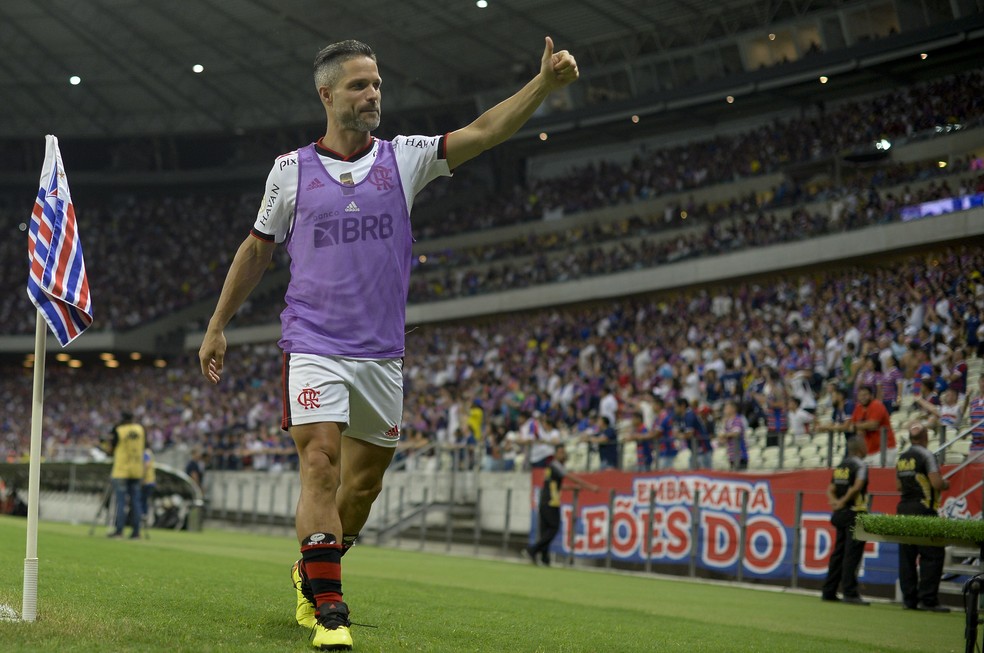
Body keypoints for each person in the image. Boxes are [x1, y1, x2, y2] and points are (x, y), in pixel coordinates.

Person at [198, 36, 579, 650]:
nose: (372, 93)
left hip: (381, 355)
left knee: (364, 486)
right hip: (313, 341)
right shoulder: (290, 170)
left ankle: (313, 571)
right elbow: (257, 250)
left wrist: (543, 86)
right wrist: (218, 324)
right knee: (319, 461)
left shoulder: (404, 159)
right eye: (358, 85)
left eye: (376, 83)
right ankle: (330, 613)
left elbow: (483, 132)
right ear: (327, 95)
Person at [896, 421, 951, 612]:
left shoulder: (902, 457)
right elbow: (936, 483)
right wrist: (946, 484)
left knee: (907, 557)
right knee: (933, 554)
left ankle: (909, 600)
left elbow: (898, 486)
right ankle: (928, 600)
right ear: (926, 437)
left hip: (903, 509)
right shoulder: (926, 455)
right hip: (923, 509)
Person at [525, 444, 599, 566]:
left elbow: (555, 485)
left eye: (563, 452)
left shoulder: (551, 467)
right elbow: (570, 476)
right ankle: (533, 549)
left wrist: (571, 488)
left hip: (544, 501)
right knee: (554, 528)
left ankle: (545, 558)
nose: (563, 455)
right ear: (556, 453)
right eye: (561, 452)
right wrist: (590, 487)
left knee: (546, 530)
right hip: (551, 502)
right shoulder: (556, 465)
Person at [820, 437, 870, 605]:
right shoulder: (860, 465)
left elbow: (830, 489)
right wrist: (843, 501)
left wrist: (835, 502)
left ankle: (829, 590)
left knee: (838, 553)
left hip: (840, 514)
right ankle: (850, 592)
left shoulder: (841, 466)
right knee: (852, 555)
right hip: (856, 513)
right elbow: (857, 486)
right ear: (860, 448)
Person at [106, 411, 145, 539]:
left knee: (121, 502)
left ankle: (119, 531)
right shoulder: (140, 429)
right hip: (137, 469)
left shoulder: (119, 430)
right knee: (136, 502)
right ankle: (136, 532)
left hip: (121, 469)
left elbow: (110, 450)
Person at [849, 385, 897, 467]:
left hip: (885, 449)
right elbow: (851, 425)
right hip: (869, 451)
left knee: (880, 476)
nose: (862, 397)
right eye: (860, 395)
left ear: (871, 395)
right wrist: (860, 427)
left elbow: (873, 424)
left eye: (865, 395)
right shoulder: (858, 408)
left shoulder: (876, 405)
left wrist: (857, 427)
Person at [718, 401, 748, 471]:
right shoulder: (727, 422)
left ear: (733, 409)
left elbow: (736, 433)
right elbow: (722, 439)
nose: (724, 410)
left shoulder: (737, 419)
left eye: (726, 408)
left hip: (740, 455)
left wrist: (724, 435)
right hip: (731, 456)